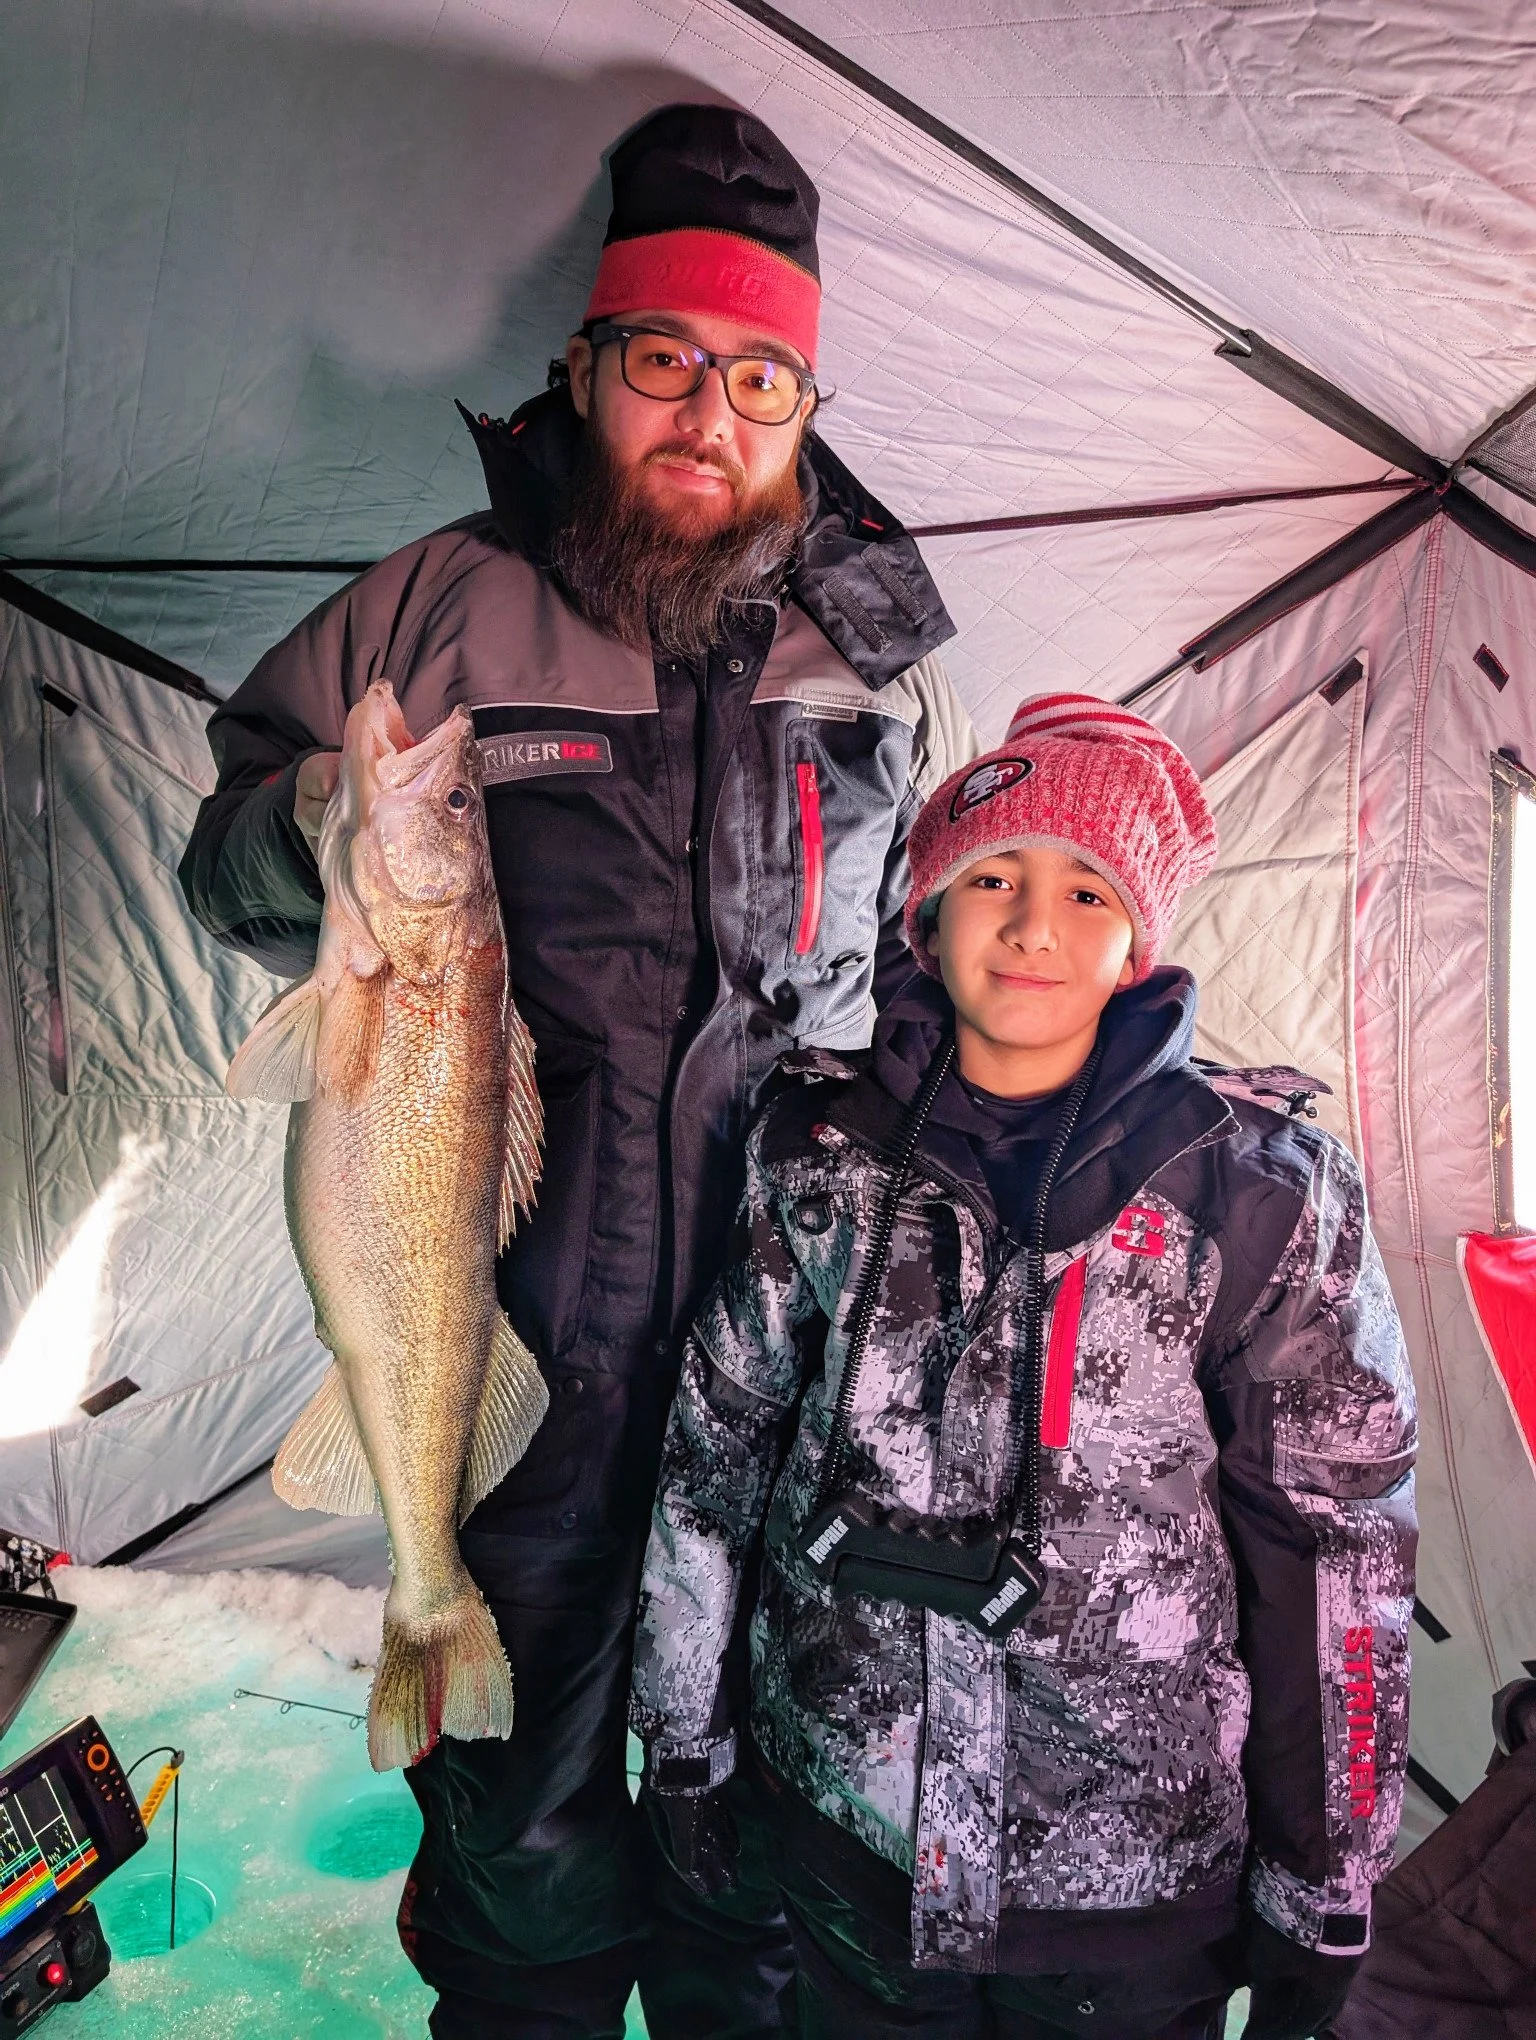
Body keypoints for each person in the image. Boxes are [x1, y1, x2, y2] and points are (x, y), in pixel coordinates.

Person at [178, 102, 977, 2040]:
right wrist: (315, 819)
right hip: (511, 1374)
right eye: (667, 362)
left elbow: (922, 1005)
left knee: (762, 1864)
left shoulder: (873, 666)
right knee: (517, 1869)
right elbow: (227, 861)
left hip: (781, 1411)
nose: (711, 413)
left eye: (761, 376)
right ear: (587, 371)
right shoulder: (437, 605)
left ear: (806, 404)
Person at [630, 693, 1419, 2040]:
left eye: (1084, 887)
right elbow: (717, 1456)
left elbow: (1335, 1549)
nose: (1032, 922)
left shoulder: (1261, 1190)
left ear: (1137, 937)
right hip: (847, 1844)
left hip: (1131, 1891)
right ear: (925, 916)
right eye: (989, 875)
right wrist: (687, 1745)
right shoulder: (815, 1155)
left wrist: (1326, 1883)